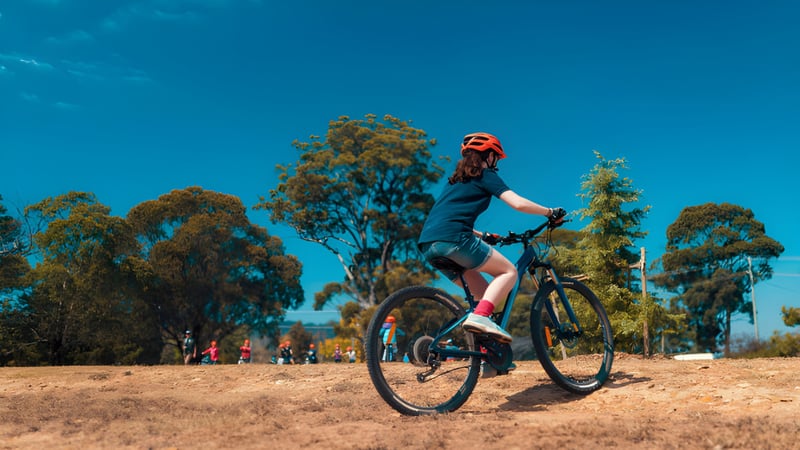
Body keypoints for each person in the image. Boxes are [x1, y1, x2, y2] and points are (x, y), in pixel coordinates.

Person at [417, 132, 565, 344]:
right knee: (508, 272)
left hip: (429, 245)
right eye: (496, 156)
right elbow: (518, 203)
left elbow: (448, 219)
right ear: (488, 155)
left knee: (484, 295)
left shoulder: (454, 181)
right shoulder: (485, 175)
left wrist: (483, 236)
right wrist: (550, 212)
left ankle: (485, 357)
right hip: (455, 240)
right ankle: (481, 317)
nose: (496, 162)